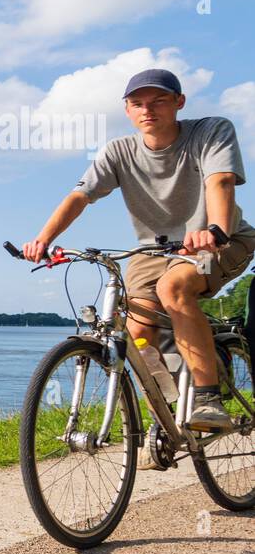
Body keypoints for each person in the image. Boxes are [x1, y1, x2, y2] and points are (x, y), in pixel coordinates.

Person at [22, 68, 255, 433]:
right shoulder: (119, 151)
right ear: (127, 110)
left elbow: (220, 181)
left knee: (174, 289)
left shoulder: (210, 131)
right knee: (136, 328)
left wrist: (215, 230)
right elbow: (80, 196)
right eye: (137, 103)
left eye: (159, 100)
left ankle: (208, 397)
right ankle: (166, 416)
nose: (148, 109)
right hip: (153, 251)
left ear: (179, 102)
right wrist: (44, 239)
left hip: (220, 240)